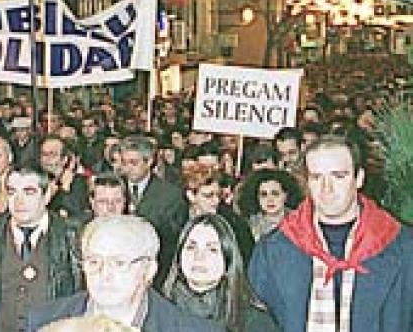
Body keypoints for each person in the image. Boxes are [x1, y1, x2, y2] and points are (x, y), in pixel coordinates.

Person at [249, 134, 413, 332]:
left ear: (359, 178)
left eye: (338, 176)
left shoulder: (402, 247)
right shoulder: (273, 250)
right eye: (317, 177)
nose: (327, 188)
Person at [27, 215, 222, 332]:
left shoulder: (191, 329)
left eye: (119, 263)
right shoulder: (45, 320)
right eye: (94, 261)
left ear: (149, 270)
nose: (104, 273)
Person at [0, 166, 82, 331]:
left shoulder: (72, 237)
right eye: (12, 192)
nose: (19, 201)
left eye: (29, 192)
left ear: (46, 195)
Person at [162, 214, 279, 332]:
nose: (199, 256)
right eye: (191, 247)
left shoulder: (255, 322)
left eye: (212, 249)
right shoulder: (158, 312)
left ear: (228, 261)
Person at [119, 135, 187, 287]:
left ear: (149, 161)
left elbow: (174, 240)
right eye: (124, 162)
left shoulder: (170, 195)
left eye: (133, 163)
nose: (127, 168)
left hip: (155, 273)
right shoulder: (114, 187)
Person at [237, 168, 303, 241]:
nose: (270, 200)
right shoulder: (249, 227)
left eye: (275, 194)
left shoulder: (300, 221)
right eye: (264, 194)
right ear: (257, 198)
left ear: (285, 196)